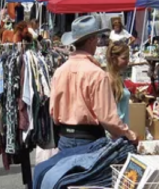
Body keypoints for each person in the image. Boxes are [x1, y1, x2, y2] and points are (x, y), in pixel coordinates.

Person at [50, 14, 138, 151]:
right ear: (91, 40)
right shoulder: (97, 74)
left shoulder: (59, 72)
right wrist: (130, 135)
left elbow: (53, 111)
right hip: (89, 140)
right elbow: (108, 118)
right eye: (96, 38)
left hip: (65, 138)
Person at [106, 41, 132, 124]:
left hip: (122, 129)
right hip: (114, 133)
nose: (128, 61)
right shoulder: (109, 80)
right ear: (114, 59)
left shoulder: (118, 78)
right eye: (124, 58)